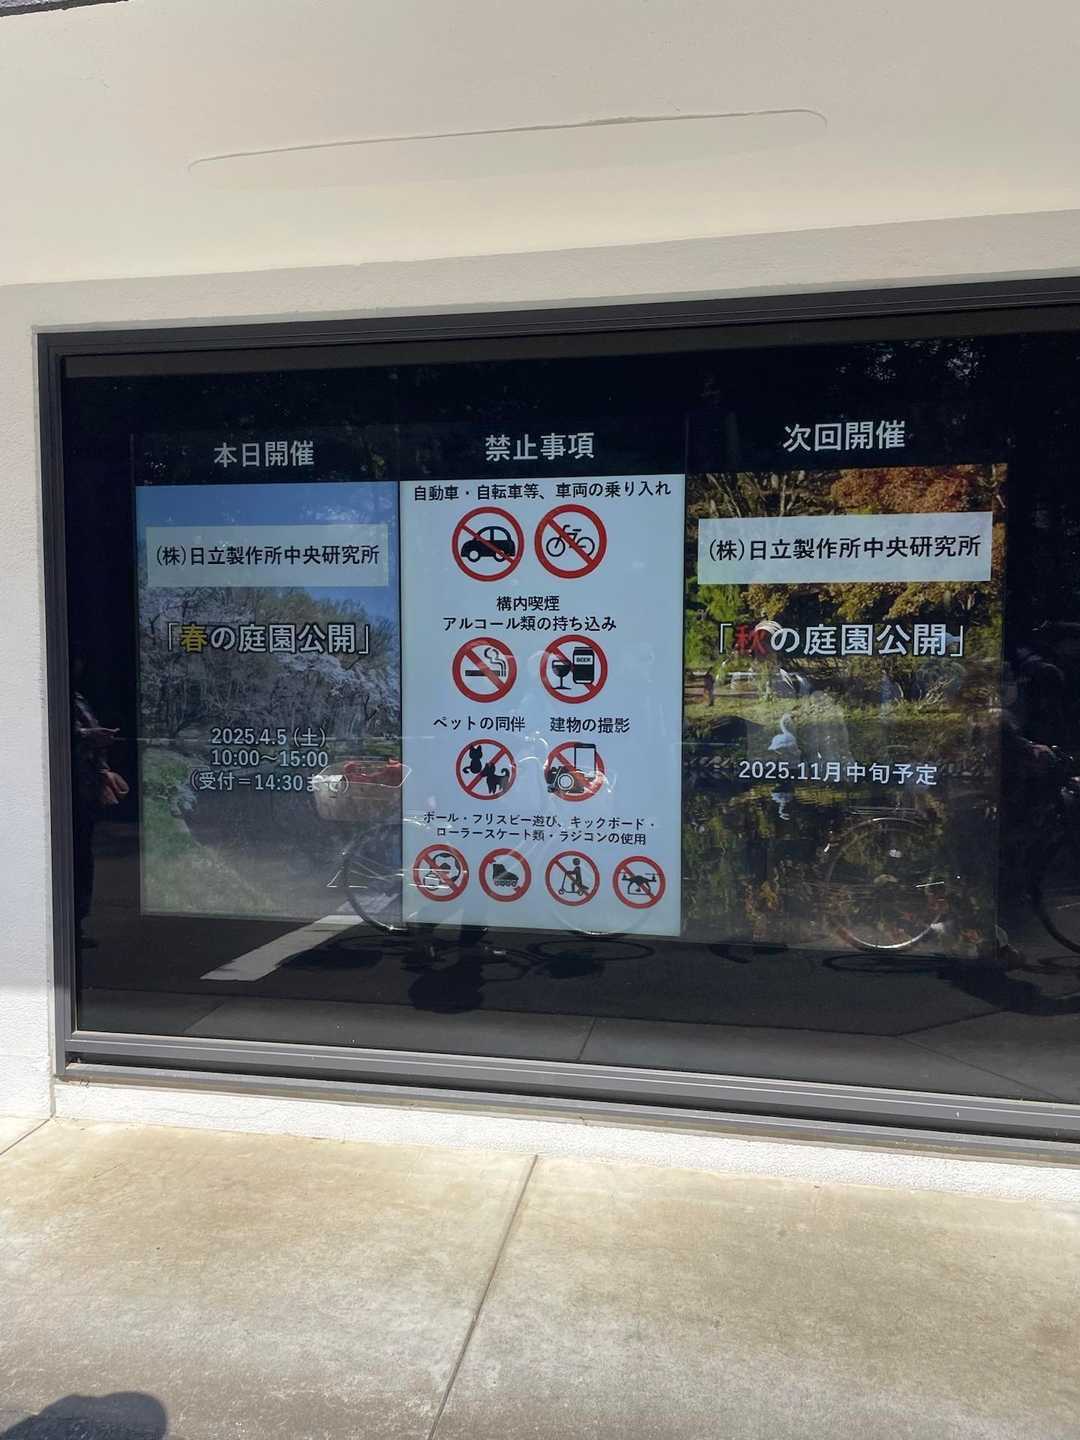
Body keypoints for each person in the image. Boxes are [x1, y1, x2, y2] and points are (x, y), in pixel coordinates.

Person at [72, 664, 128, 947]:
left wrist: (104, 770)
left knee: (83, 854)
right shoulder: (61, 697)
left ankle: (77, 921)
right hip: (70, 787)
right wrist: (88, 736)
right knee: (75, 854)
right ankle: (70, 923)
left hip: (86, 785)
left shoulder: (77, 697)